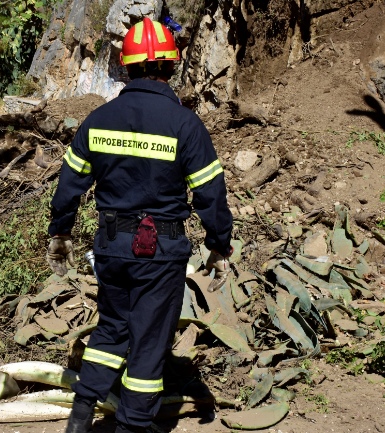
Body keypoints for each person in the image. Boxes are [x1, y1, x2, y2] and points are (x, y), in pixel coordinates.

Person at [46, 16, 233, 433]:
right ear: (171, 66)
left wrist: (60, 234)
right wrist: (220, 244)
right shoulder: (185, 124)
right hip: (159, 252)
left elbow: (68, 186)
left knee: (112, 327)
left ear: (126, 66)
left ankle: (81, 414)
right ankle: (132, 426)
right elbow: (210, 194)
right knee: (149, 342)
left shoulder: (98, 120)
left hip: (111, 247)